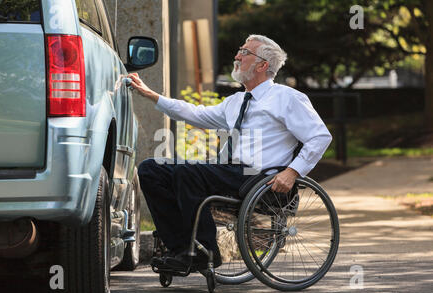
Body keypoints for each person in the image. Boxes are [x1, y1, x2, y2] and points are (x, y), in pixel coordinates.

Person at [128, 34, 332, 272]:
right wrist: (151, 95)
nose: (237, 55)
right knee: (151, 169)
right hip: (229, 172)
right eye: (239, 50)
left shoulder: (287, 98)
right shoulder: (235, 101)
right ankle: (181, 249)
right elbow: (196, 113)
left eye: (245, 52)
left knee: (189, 173)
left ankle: (205, 252)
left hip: (260, 177)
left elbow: (319, 137)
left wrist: (292, 172)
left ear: (262, 65)